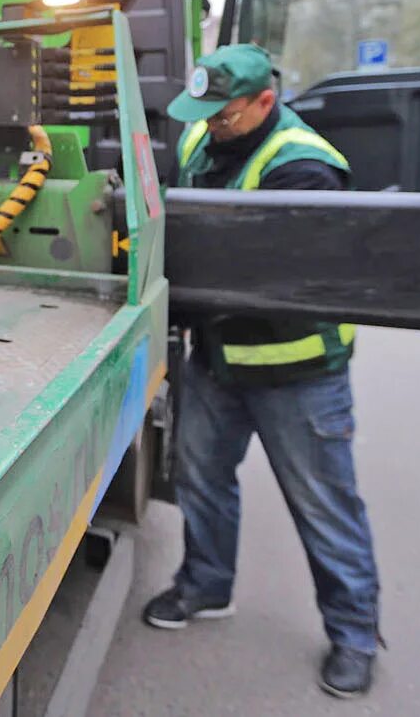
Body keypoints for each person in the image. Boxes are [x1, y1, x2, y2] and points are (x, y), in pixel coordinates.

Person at [142, 44, 381, 699]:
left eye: (224, 115)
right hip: (218, 362)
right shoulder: (202, 133)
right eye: (205, 113)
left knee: (325, 505)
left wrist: (184, 294)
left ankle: (355, 634)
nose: (210, 126)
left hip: (298, 373)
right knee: (202, 480)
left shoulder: (305, 169)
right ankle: (206, 584)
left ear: (265, 102)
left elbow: (269, 279)